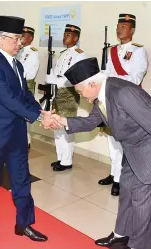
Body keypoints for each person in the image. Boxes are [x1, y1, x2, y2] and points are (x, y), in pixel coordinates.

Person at [47, 57, 151, 249]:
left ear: (93, 83)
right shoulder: (102, 94)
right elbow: (90, 122)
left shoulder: (124, 93)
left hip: (150, 154)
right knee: (127, 193)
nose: (82, 96)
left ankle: (138, 245)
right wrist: (62, 120)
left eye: (80, 91)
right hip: (132, 152)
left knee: (143, 208)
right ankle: (121, 235)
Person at [0, 15, 55, 242]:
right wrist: (37, 118)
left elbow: (24, 94)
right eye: (16, 39)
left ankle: (25, 223)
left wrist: (41, 112)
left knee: (21, 179)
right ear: (1, 39)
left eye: (21, 39)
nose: (20, 43)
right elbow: (7, 99)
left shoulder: (17, 64)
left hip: (17, 133)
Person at [99, 13, 149, 196]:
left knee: (122, 142)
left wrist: (113, 79)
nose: (120, 30)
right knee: (112, 139)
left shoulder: (138, 50)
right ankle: (113, 174)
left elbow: (136, 78)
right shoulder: (112, 50)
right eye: (118, 27)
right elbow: (106, 74)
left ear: (132, 30)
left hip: (128, 100)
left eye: (124, 27)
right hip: (112, 99)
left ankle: (120, 180)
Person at [45, 24, 87, 171]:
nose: (64, 37)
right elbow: (57, 72)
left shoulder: (79, 54)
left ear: (76, 37)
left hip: (69, 94)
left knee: (67, 127)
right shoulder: (62, 53)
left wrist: (56, 80)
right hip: (58, 93)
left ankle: (67, 161)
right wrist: (52, 78)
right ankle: (60, 157)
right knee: (57, 125)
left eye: (68, 35)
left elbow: (77, 77)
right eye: (64, 34)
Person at [17, 26, 40, 147]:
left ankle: (27, 141)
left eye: (24, 36)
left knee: (25, 115)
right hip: (17, 84)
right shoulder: (18, 50)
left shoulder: (33, 52)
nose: (21, 38)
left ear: (31, 38)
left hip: (26, 85)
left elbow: (30, 73)